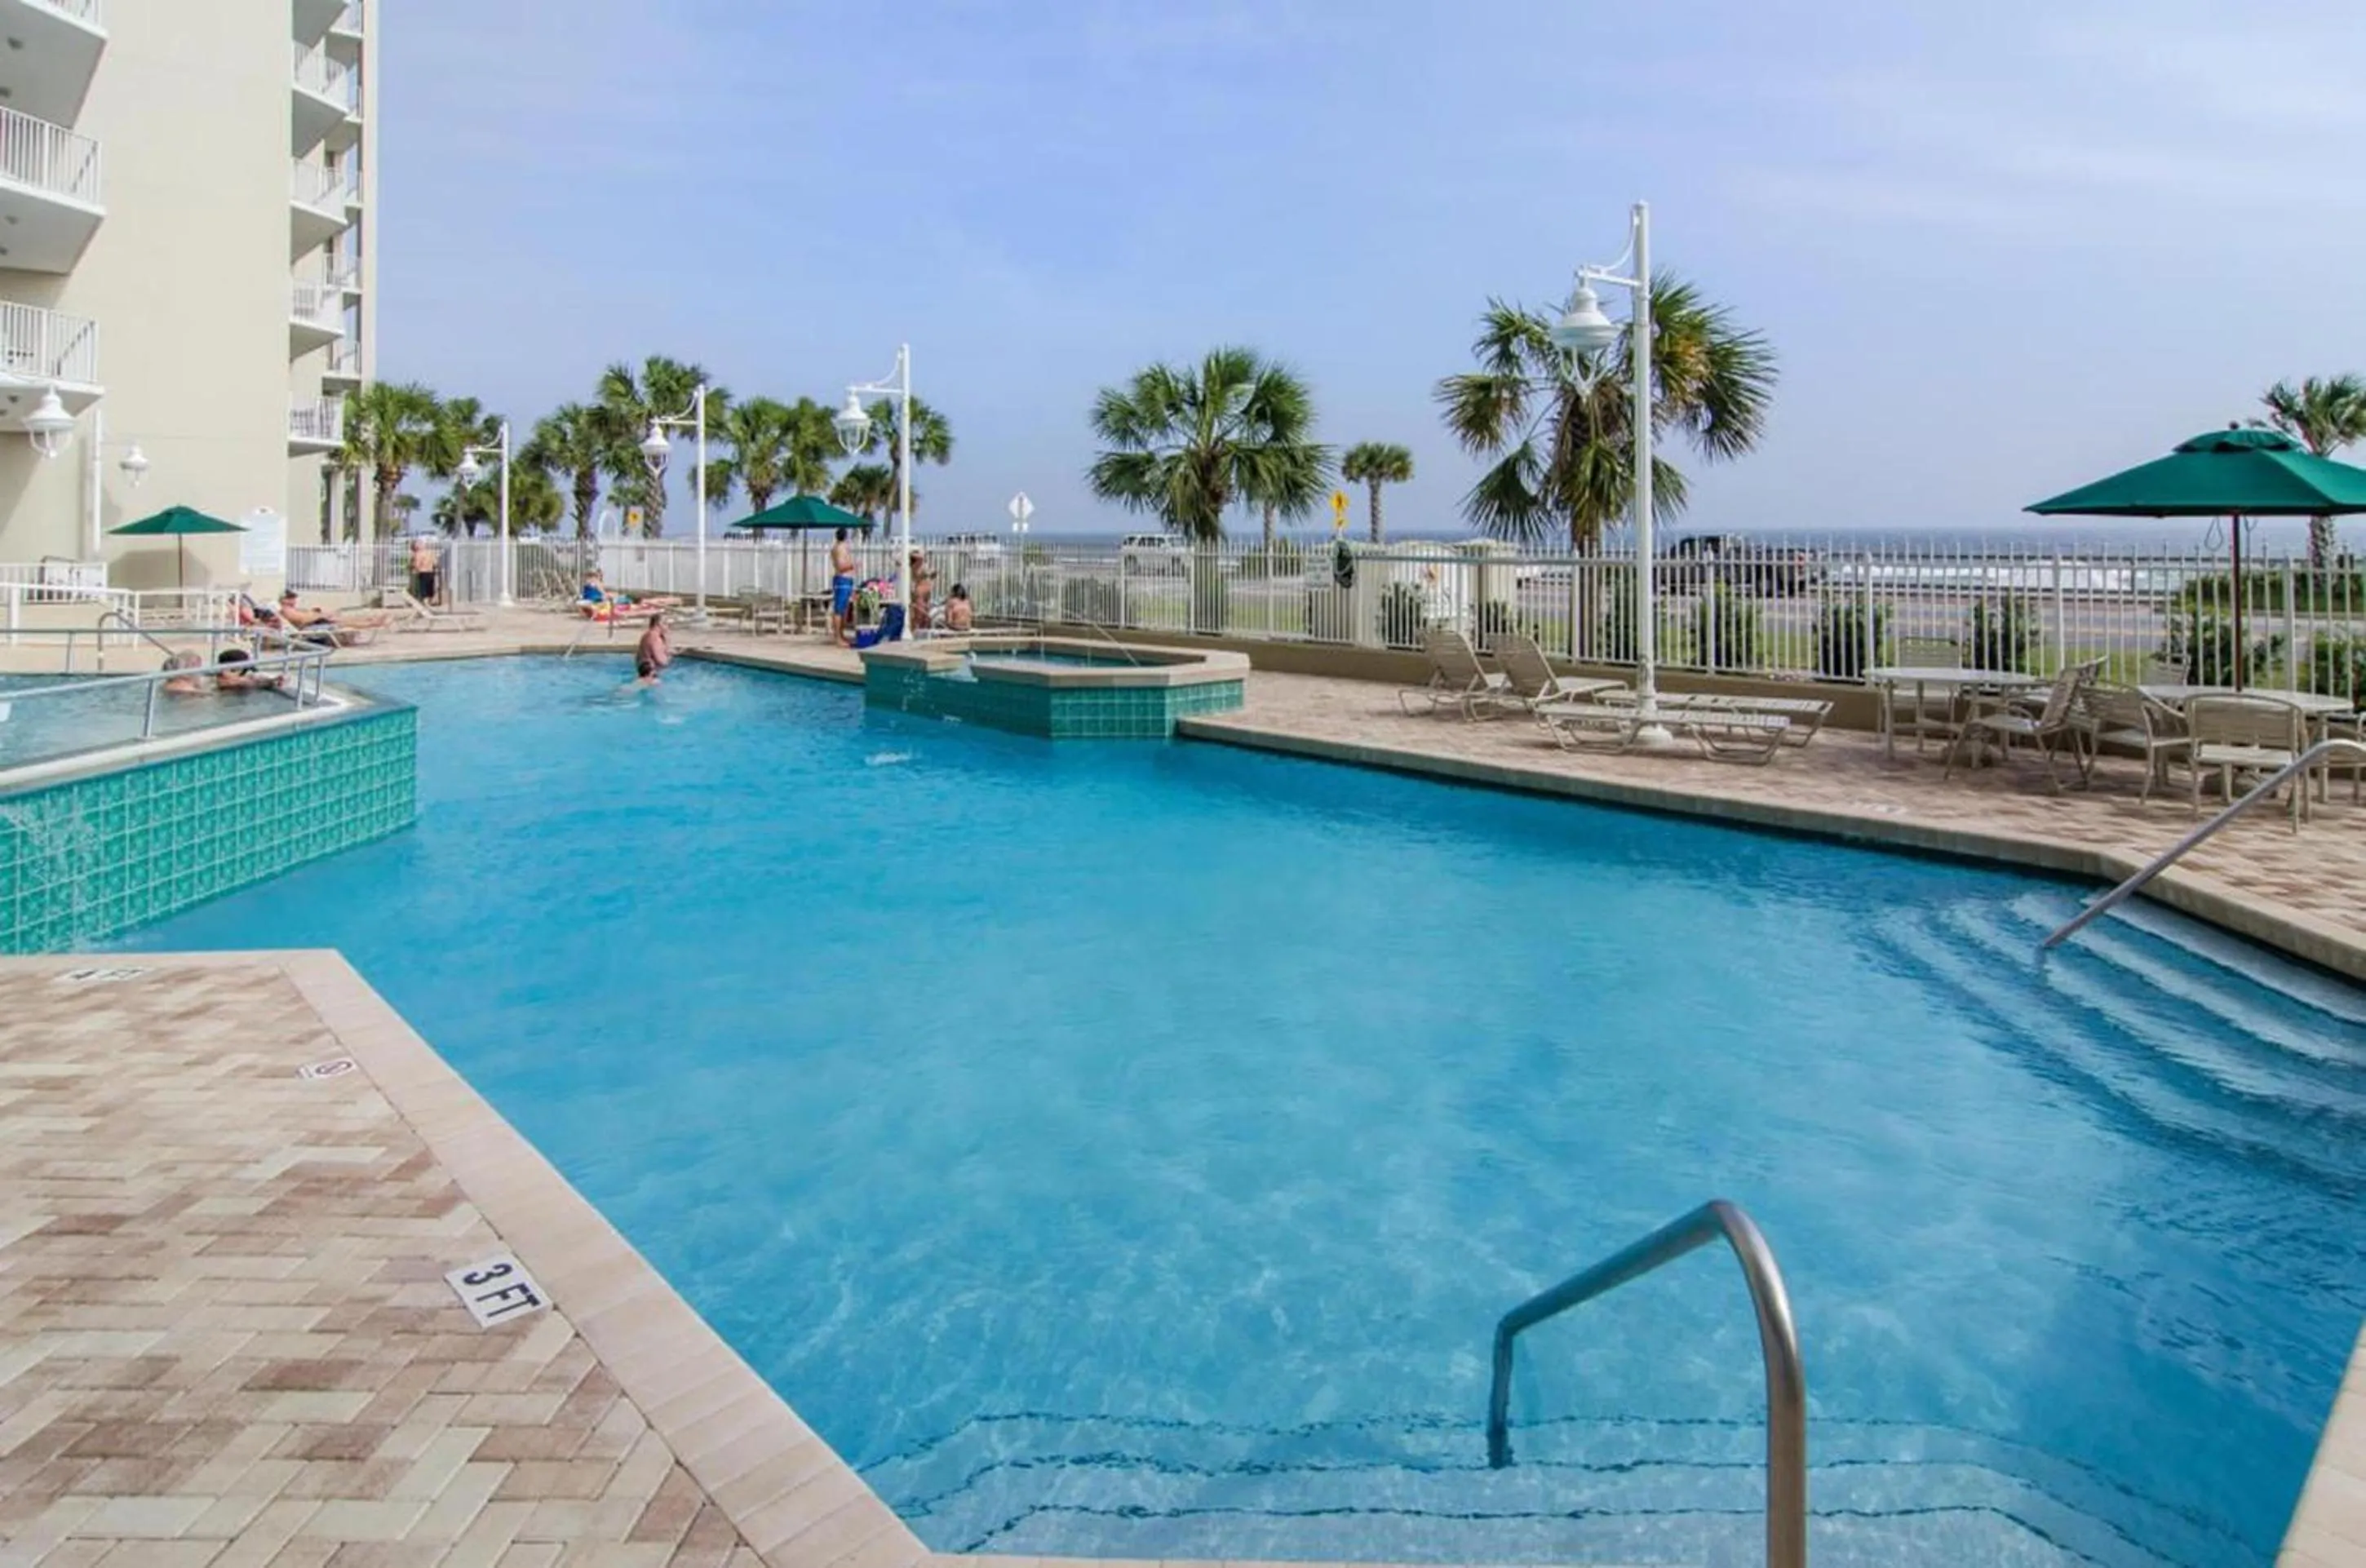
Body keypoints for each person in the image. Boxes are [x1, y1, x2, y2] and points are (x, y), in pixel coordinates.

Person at [827, 527, 857, 642]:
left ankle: (841, 634)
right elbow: (841, 567)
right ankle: (838, 637)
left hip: (845, 580)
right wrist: (852, 565)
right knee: (839, 609)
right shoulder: (840, 548)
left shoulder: (838, 547)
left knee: (844, 609)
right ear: (845, 536)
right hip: (842, 580)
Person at [213, 647, 284, 692]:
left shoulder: (247, 679)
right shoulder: (217, 680)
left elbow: (280, 678)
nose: (223, 673)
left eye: (232, 670)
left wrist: (276, 680)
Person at [634, 612, 672, 685]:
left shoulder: (646, 635)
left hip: (643, 671)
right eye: (666, 623)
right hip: (651, 674)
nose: (668, 626)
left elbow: (639, 657)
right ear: (659, 624)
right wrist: (668, 657)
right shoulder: (656, 638)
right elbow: (662, 661)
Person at [409, 535, 441, 605]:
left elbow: (417, 564)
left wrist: (414, 568)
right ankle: (430, 601)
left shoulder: (418, 554)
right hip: (431, 572)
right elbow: (435, 563)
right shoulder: (430, 553)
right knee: (430, 588)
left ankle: (425, 602)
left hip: (423, 572)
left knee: (423, 589)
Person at [909, 549, 936, 627]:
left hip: (927, 591)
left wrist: (932, 574)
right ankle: (915, 630)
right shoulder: (915, 566)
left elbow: (931, 575)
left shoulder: (923, 565)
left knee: (926, 613)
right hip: (920, 591)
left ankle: (923, 630)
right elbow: (918, 557)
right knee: (919, 613)